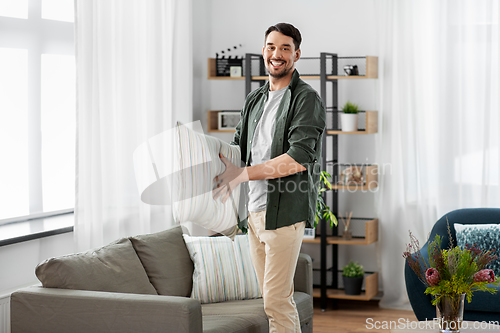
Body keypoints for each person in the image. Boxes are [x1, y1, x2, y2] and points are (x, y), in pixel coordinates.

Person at [213, 22, 325, 333]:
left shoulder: (306, 98)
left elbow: (298, 157)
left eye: (285, 48)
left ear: (297, 54)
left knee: (276, 300)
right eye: (271, 47)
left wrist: (242, 174)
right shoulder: (254, 99)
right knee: (271, 298)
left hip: (284, 214)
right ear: (264, 51)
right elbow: (238, 147)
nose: (277, 54)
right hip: (254, 213)